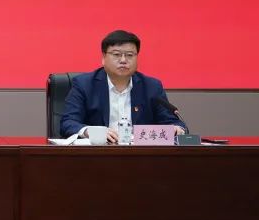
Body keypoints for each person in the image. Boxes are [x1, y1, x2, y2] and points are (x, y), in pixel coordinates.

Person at [59, 30, 187, 141]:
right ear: (103, 57)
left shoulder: (152, 87)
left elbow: (174, 122)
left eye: (130, 55)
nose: (123, 60)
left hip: (141, 155)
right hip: (98, 154)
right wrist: (91, 132)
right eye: (116, 54)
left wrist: (176, 129)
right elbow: (68, 123)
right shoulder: (84, 84)